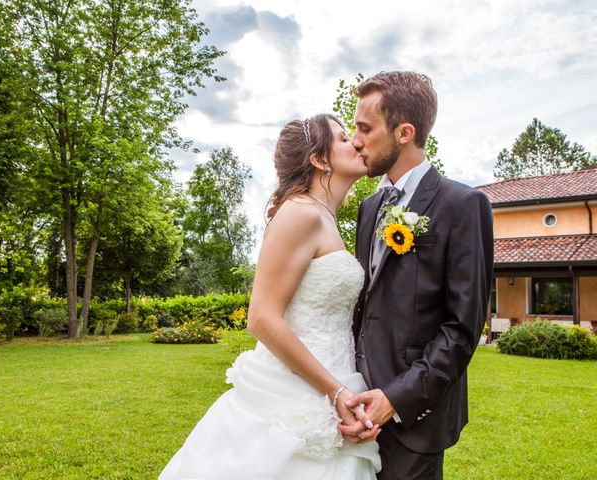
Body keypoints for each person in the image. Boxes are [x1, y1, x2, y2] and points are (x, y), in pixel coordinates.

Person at [158, 113, 381, 480]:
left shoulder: (327, 218)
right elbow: (261, 317)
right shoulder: (300, 213)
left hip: (336, 376)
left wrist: (343, 393)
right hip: (296, 391)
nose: (356, 142)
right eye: (343, 138)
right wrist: (335, 392)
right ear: (319, 159)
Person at [339, 71, 494, 480]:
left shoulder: (462, 205)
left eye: (364, 128)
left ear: (404, 132)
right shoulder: (369, 208)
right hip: (356, 407)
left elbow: (462, 329)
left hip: (415, 420)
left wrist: (395, 398)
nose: (355, 139)